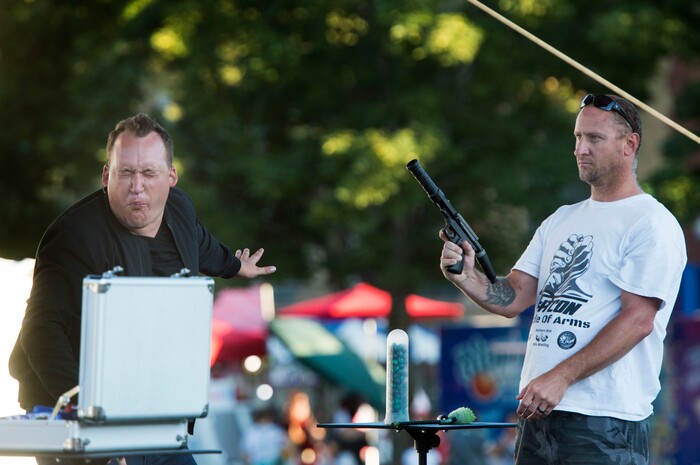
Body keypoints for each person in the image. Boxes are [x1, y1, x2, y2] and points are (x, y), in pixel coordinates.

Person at [8, 113, 276, 465]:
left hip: (153, 413)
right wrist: (91, 420)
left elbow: (202, 245)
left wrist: (235, 266)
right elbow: (42, 335)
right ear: (107, 176)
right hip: (75, 423)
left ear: (171, 177)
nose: (137, 187)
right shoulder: (73, 238)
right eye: (125, 173)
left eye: (149, 173)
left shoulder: (179, 210)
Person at [439, 94, 687, 464]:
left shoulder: (652, 222)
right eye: (577, 137)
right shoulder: (561, 219)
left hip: (606, 423)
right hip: (539, 416)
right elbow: (515, 296)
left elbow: (638, 320)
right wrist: (466, 277)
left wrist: (560, 378)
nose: (580, 149)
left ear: (629, 144)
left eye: (594, 138)